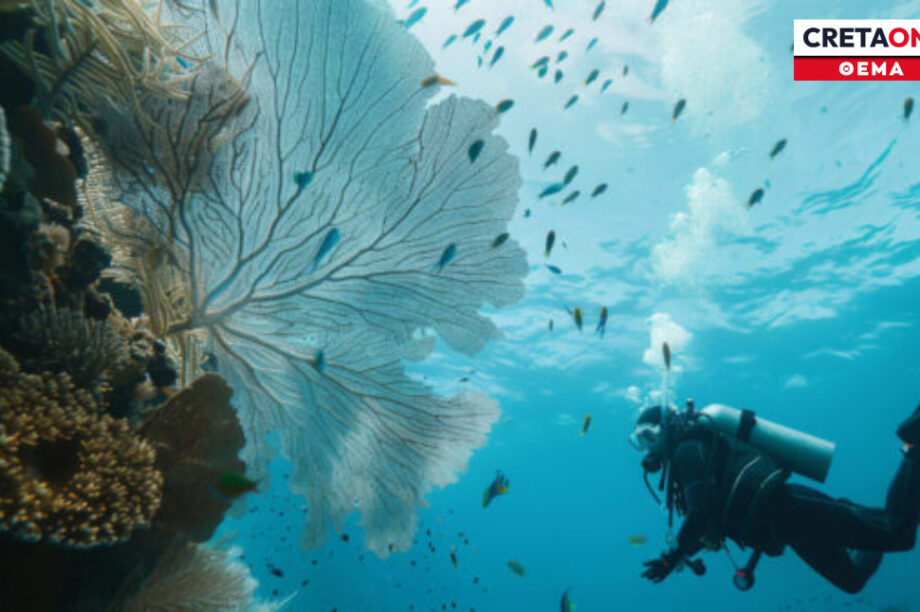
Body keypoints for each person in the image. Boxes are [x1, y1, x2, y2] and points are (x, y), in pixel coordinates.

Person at [630, 401, 920, 593]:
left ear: (663, 430)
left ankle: (913, 446)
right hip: (785, 523)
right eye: (637, 443)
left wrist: (673, 556)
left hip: (785, 511)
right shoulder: (691, 453)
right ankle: (852, 512)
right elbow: (708, 517)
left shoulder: (686, 452)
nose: (645, 449)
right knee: (852, 579)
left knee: (896, 533)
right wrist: (683, 552)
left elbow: (700, 512)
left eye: (646, 437)